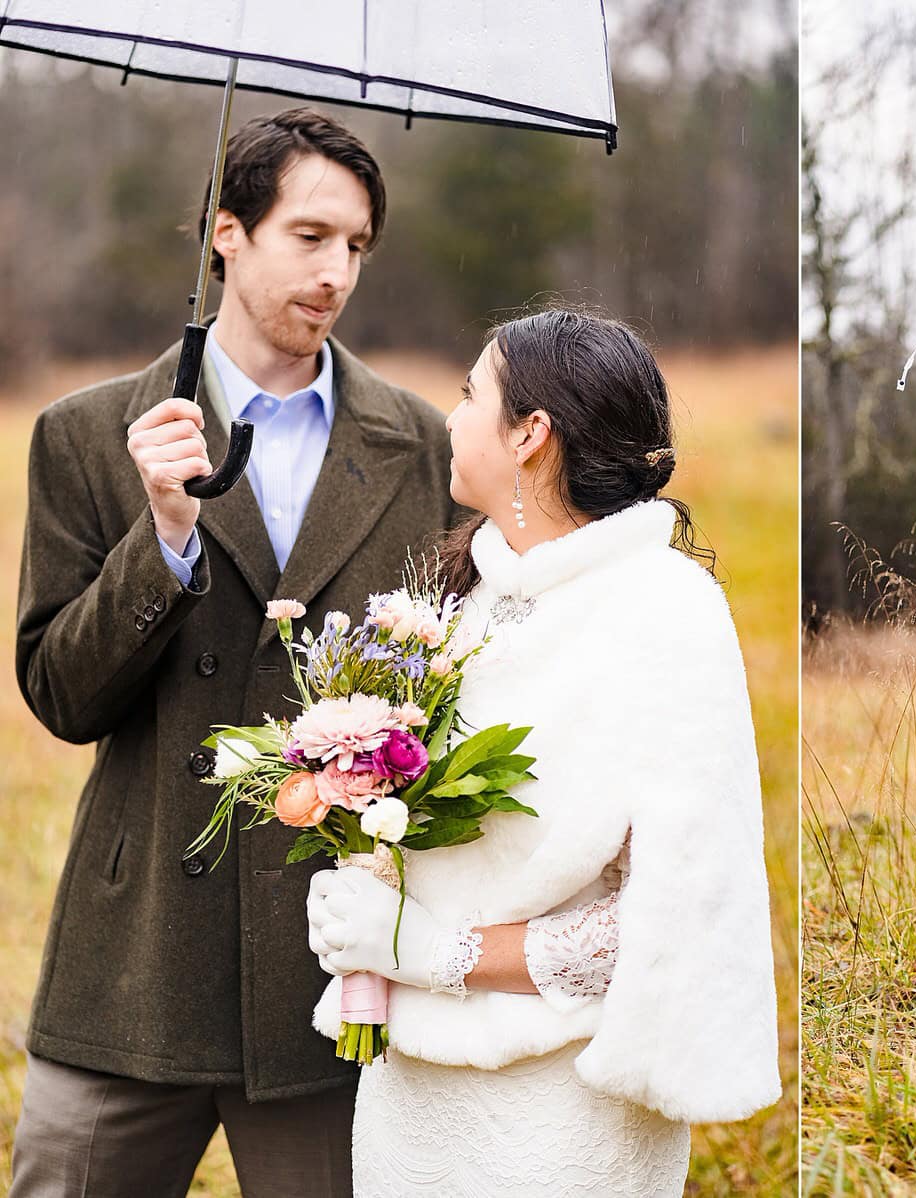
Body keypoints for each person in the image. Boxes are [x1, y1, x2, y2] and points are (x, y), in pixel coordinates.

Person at [12, 108, 459, 1196]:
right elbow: (60, 695)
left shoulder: (418, 442)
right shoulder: (88, 433)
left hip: (328, 968)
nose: (337, 271)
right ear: (227, 233)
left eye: (356, 245)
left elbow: (447, 681)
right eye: (309, 237)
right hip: (135, 959)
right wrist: (161, 534)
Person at [305, 307, 782, 1195]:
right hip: (409, 1097)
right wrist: (361, 894)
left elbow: (668, 915)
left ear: (531, 433)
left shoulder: (663, 611)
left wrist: (432, 949)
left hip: (560, 1109)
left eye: (468, 394)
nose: (449, 417)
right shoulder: (467, 599)